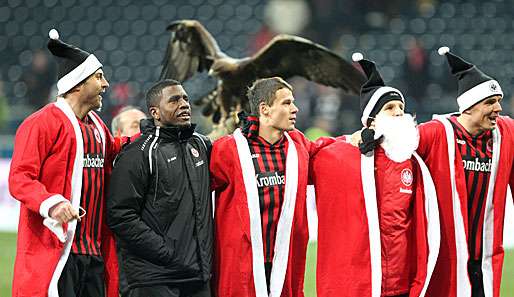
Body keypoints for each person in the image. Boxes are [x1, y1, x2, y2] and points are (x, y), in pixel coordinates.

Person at [312, 54, 440, 297]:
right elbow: (304, 152)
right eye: (390, 108)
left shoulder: (411, 161)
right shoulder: (341, 155)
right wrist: (348, 139)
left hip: (400, 284)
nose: (398, 113)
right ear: (371, 120)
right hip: (360, 284)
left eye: (401, 108)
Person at [8, 29, 119, 297]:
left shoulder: (98, 128)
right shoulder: (41, 123)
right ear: (78, 84)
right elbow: (20, 178)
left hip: (93, 254)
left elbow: (117, 149)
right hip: (56, 251)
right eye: (99, 77)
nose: (106, 85)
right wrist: (53, 203)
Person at [210, 76, 339, 297]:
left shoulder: (298, 146)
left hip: (285, 261)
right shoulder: (228, 150)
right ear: (265, 109)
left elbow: (331, 153)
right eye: (287, 103)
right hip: (241, 266)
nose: (295, 109)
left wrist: (354, 141)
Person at [418, 47, 514, 297]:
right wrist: (353, 138)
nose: (498, 109)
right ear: (469, 107)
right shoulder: (436, 133)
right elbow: (395, 145)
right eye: (490, 102)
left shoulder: (506, 133)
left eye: (499, 101)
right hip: (446, 258)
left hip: (485, 260)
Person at [106, 79, 213, 297]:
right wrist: (166, 253)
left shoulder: (201, 145)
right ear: (154, 112)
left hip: (197, 275)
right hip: (153, 278)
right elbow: (120, 215)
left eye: (185, 98)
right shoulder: (137, 153)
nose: (184, 104)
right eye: (174, 100)